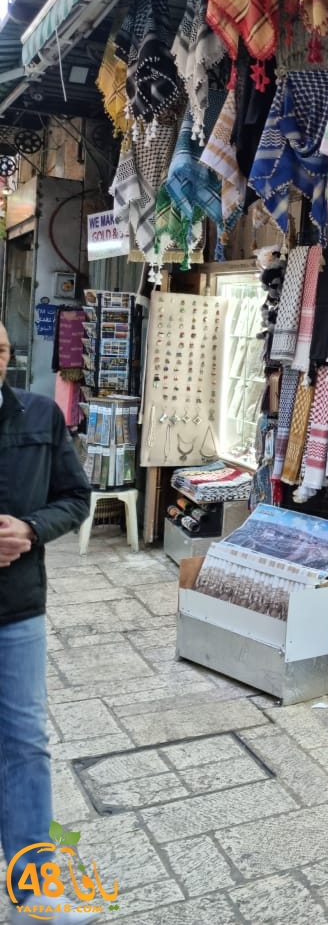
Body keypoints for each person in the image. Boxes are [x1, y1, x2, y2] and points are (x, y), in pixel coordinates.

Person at [0, 325, 92, 890]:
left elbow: (76, 498)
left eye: (1, 349)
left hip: (19, 609)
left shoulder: (38, 415)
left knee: (26, 743)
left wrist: (31, 530)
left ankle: (31, 885)